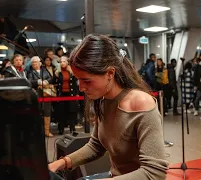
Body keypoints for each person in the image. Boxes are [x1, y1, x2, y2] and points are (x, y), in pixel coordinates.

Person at [48, 34, 168, 180]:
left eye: (86, 80)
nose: (81, 87)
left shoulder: (141, 103)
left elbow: (155, 172)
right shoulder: (103, 99)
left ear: (110, 73)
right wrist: (61, 163)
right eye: (78, 80)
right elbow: (96, 145)